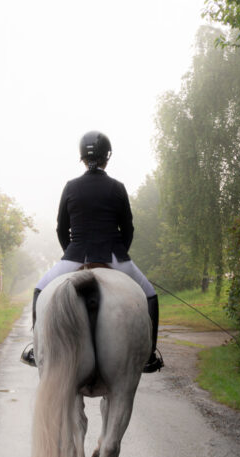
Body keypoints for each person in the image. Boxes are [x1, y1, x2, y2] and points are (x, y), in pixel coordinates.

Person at [21, 130, 164, 373]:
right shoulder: (117, 187)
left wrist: (73, 254)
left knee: (40, 289)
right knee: (150, 294)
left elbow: (60, 228)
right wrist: (119, 254)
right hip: (114, 256)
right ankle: (149, 354)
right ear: (107, 157)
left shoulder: (70, 187)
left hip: (76, 256)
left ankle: (36, 349)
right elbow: (128, 227)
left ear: (82, 159)